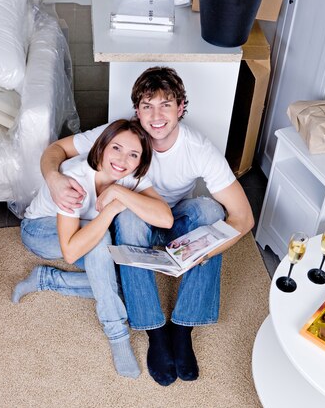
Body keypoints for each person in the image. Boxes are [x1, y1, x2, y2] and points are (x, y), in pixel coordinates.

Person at [41, 66, 254, 386]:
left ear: (181, 108)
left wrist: (206, 253)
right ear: (137, 110)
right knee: (127, 213)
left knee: (211, 211)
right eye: (147, 105)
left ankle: (182, 330)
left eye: (165, 105)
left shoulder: (198, 148)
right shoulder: (122, 138)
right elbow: (57, 150)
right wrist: (53, 177)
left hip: (171, 219)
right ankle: (154, 330)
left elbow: (243, 217)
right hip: (133, 221)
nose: (156, 115)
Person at [12, 119, 173, 379]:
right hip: (41, 231)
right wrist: (112, 208)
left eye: (134, 155)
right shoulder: (76, 179)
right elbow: (71, 251)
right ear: (102, 146)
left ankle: (48, 279)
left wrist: (122, 194)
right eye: (116, 148)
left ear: (141, 161)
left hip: (81, 227)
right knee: (101, 244)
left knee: (125, 282)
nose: (123, 159)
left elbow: (165, 219)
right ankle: (117, 334)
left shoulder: (129, 175)